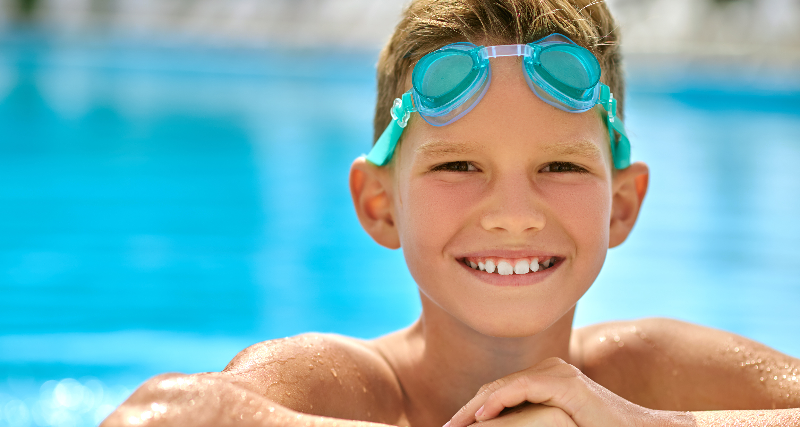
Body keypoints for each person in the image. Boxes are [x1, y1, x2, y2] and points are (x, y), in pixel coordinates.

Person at [102, 0, 800, 426]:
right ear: (380, 205)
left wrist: (643, 424)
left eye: (560, 167)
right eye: (458, 166)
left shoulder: (650, 375)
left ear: (621, 206)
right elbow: (158, 416)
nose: (513, 215)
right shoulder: (338, 387)